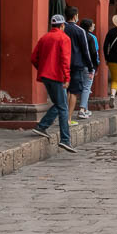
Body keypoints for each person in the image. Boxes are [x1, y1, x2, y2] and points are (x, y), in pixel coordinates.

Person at [32, 15, 77, 153]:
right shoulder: (64, 38)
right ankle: (65, 139)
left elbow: (34, 57)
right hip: (57, 76)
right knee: (63, 107)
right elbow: (65, 60)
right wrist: (67, 78)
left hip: (45, 76)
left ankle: (42, 126)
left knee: (59, 103)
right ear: (62, 25)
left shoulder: (44, 38)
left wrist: (42, 68)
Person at [63, 8, 93, 121]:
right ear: (75, 16)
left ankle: (63, 115)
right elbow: (85, 51)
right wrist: (90, 67)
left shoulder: (62, 28)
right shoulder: (80, 31)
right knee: (74, 91)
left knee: (65, 90)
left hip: (63, 64)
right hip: (76, 64)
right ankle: (69, 118)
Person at [77, 16, 103, 119]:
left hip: (78, 64)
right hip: (89, 65)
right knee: (87, 87)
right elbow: (94, 53)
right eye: (92, 24)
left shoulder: (78, 36)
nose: (94, 25)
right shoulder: (92, 37)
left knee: (83, 88)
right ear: (89, 27)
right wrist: (95, 66)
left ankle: (86, 109)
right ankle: (82, 109)